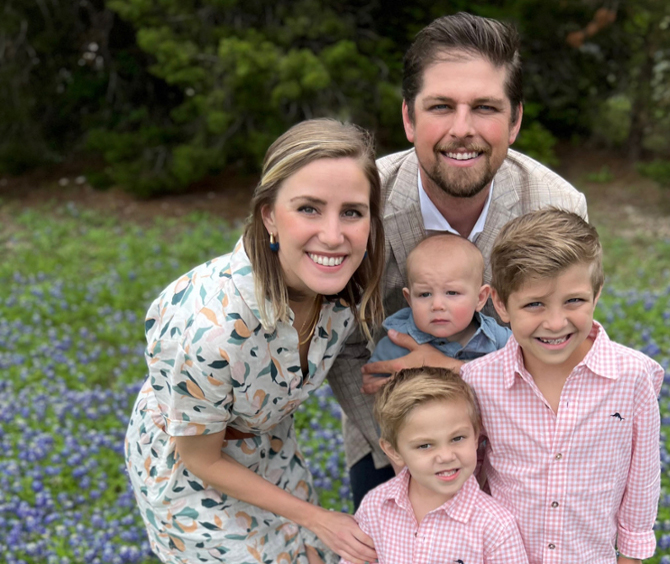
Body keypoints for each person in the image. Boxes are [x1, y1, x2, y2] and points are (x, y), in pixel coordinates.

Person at [323, 11, 589, 510]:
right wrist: (407, 443)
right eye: (441, 106)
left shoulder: (556, 206)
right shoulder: (360, 203)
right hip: (391, 427)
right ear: (408, 118)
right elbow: (342, 346)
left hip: (519, 429)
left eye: (485, 107)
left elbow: (561, 350)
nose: (461, 130)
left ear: (514, 121)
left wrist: (457, 374)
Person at [124, 119, 383, 564]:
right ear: (269, 216)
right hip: (191, 471)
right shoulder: (213, 330)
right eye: (309, 209)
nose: (334, 235)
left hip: (270, 446)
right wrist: (318, 517)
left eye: (352, 212)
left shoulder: (344, 288)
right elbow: (201, 459)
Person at [462, 208, 664, 564]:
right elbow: (466, 479)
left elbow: (642, 480)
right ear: (500, 304)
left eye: (574, 301)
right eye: (534, 304)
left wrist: (630, 557)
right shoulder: (478, 381)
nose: (555, 323)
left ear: (597, 294)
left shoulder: (633, 376)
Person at [341, 367, 529, 564]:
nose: (446, 456)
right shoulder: (376, 506)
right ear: (393, 451)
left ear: (476, 436)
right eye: (425, 445)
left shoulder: (495, 525)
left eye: (457, 438)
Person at [367, 233, 511, 375]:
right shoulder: (397, 343)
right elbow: (373, 383)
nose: (437, 305)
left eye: (452, 293)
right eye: (424, 294)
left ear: (480, 298)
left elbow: (526, 366)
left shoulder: (498, 339)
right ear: (409, 300)